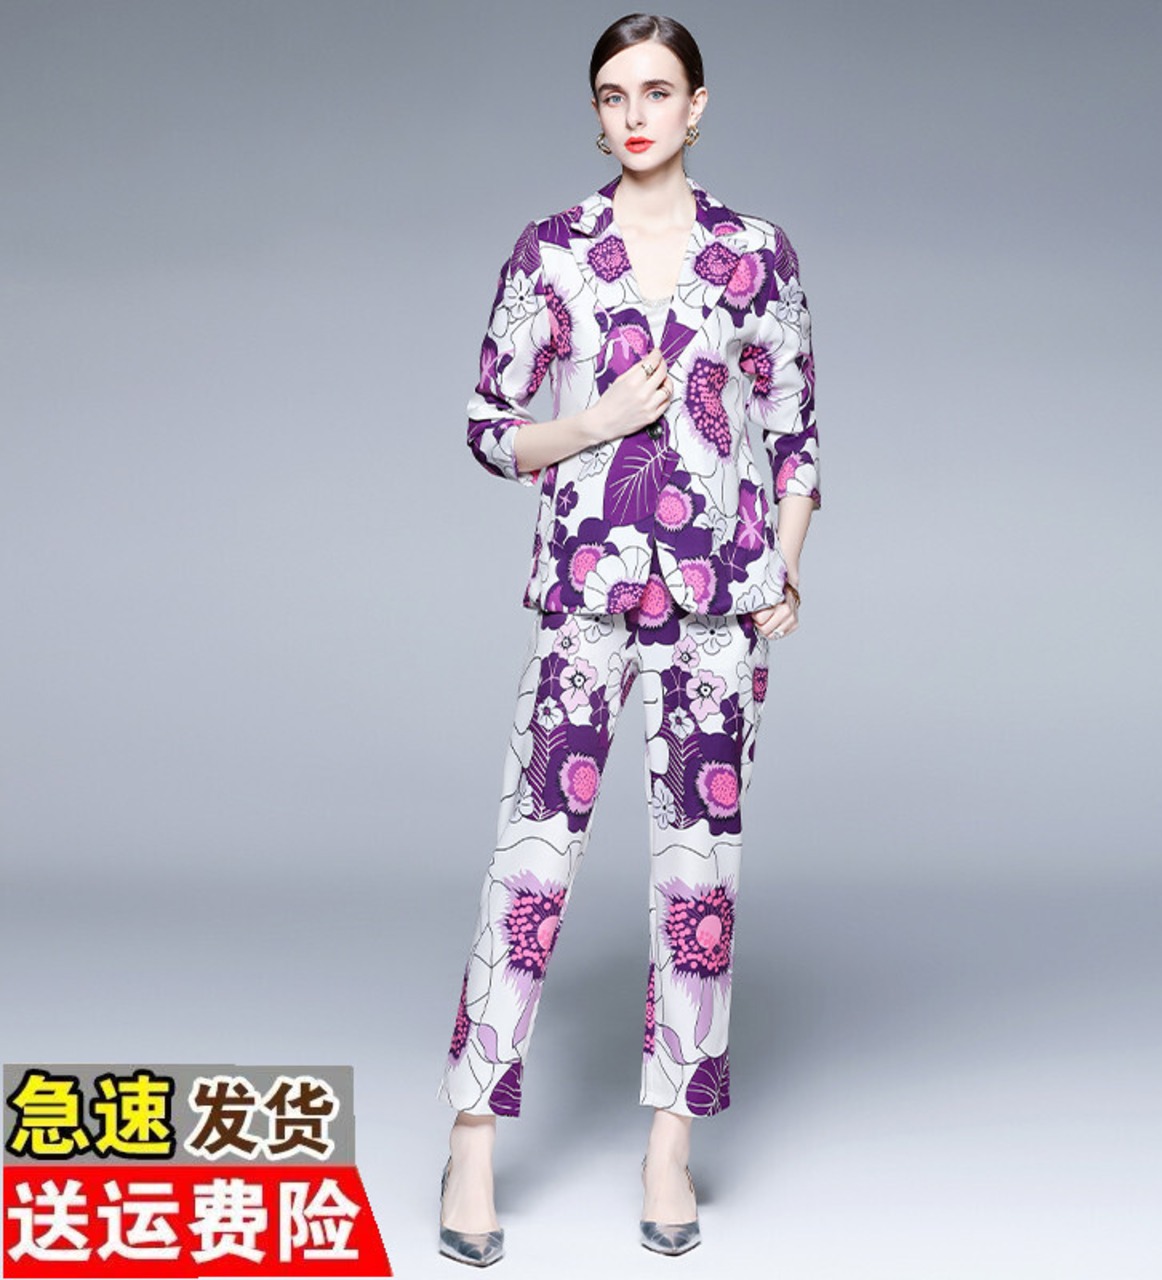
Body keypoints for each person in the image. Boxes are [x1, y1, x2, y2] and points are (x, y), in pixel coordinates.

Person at [435, 11, 820, 1265]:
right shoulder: (551, 251)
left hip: (716, 607)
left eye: (657, 91)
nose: (635, 113)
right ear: (597, 115)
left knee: (697, 880)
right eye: (613, 94)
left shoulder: (755, 254)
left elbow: (796, 434)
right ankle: (472, 1134)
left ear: (697, 105)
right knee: (529, 866)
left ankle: (669, 1139)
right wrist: (591, 422)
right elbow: (490, 424)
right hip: (583, 599)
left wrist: (784, 569)